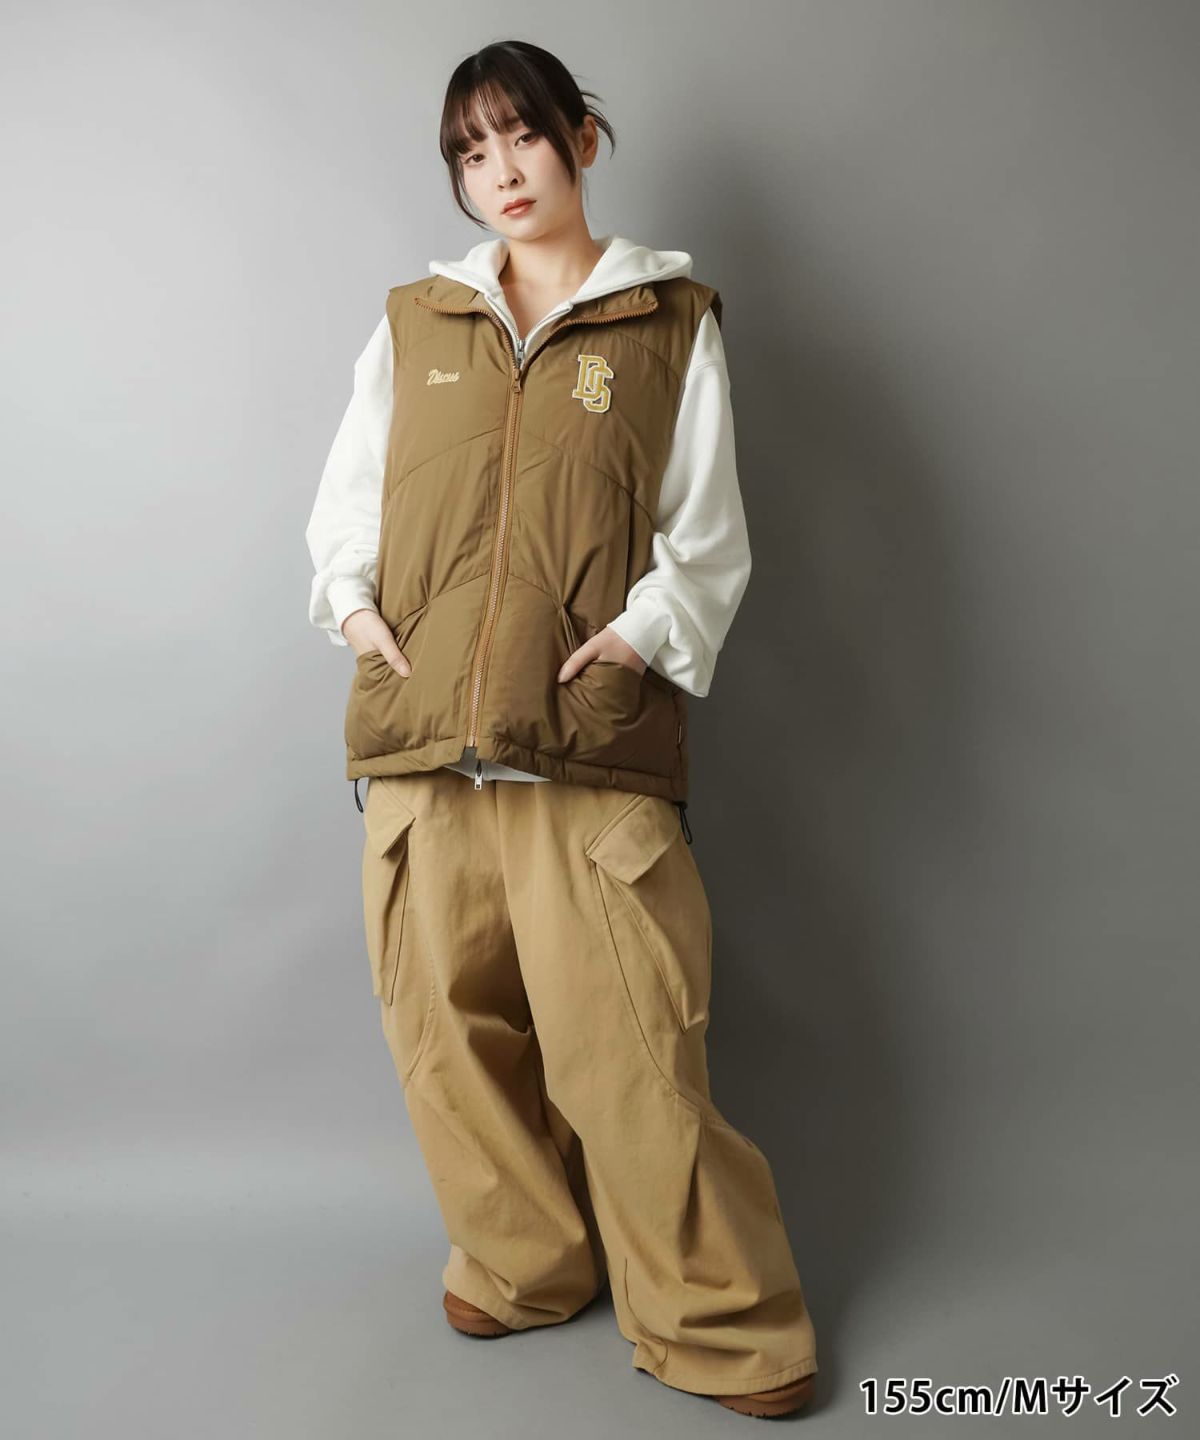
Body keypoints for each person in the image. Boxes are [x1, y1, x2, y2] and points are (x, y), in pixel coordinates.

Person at [305, 39, 819, 1420]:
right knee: (443, 1029)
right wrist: (354, 613)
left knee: (630, 1047)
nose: (500, 172)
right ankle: (522, 1258)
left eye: (521, 136)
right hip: (424, 745)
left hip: (585, 741)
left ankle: (721, 1322)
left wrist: (638, 641)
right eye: (470, 153)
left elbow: (706, 535)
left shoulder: (669, 320)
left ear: (581, 138)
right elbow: (347, 503)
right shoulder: (418, 320)